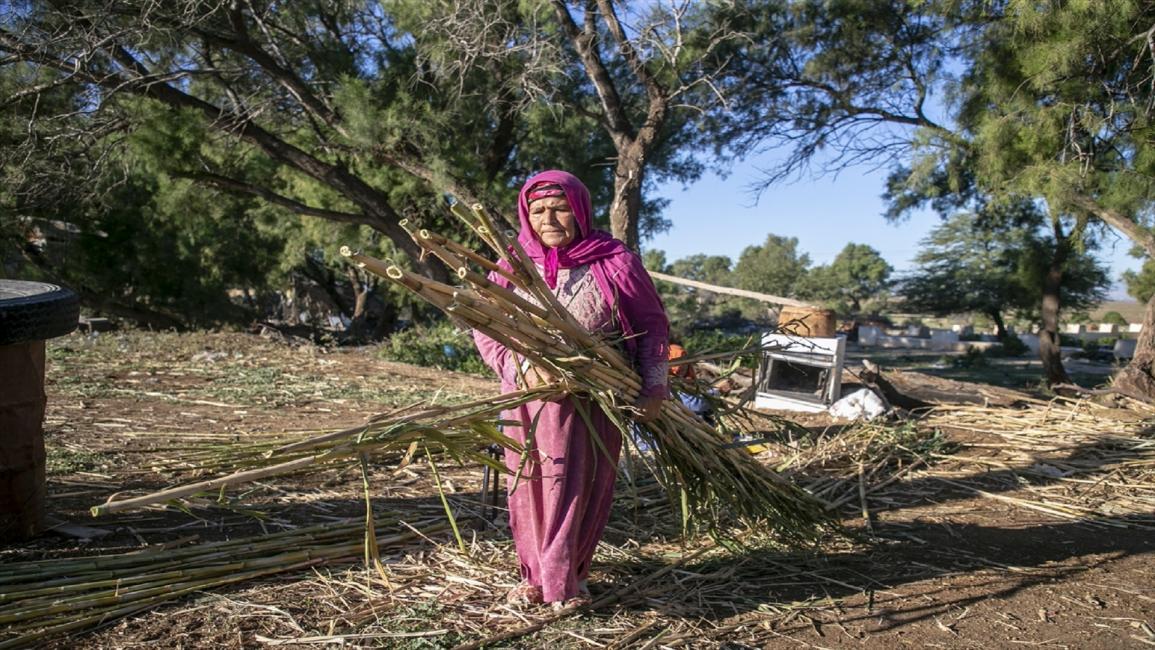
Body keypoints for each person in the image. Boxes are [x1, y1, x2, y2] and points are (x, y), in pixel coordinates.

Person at [472, 170, 670, 608]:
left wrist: (654, 386)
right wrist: (517, 367)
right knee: (528, 485)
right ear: (525, 214)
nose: (549, 218)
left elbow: (652, 325)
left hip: (593, 398)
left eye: (559, 207)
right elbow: (485, 326)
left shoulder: (614, 259)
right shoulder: (513, 263)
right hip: (526, 400)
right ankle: (534, 576)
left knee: (578, 485)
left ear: (579, 210)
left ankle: (569, 579)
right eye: (538, 209)